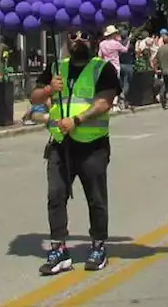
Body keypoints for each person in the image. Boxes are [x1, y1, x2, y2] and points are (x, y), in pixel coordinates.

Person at [29, 29, 119, 276]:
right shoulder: (58, 66)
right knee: (55, 195)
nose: (78, 40)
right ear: (66, 40)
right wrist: (48, 89)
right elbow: (33, 96)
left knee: (96, 197)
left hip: (92, 144)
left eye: (83, 36)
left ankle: (98, 245)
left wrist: (77, 120)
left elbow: (105, 100)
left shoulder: (103, 68)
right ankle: (59, 249)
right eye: (73, 36)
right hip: (60, 143)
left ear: (92, 40)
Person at [98, 25, 130, 109]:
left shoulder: (102, 44)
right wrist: (128, 41)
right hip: (115, 66)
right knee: (115, 85)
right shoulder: (116, 43)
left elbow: (99, 55)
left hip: (105, 66)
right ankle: (114, 103)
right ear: (113, 34)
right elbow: (125, 50)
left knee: (106, 85)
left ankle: (107, 102)